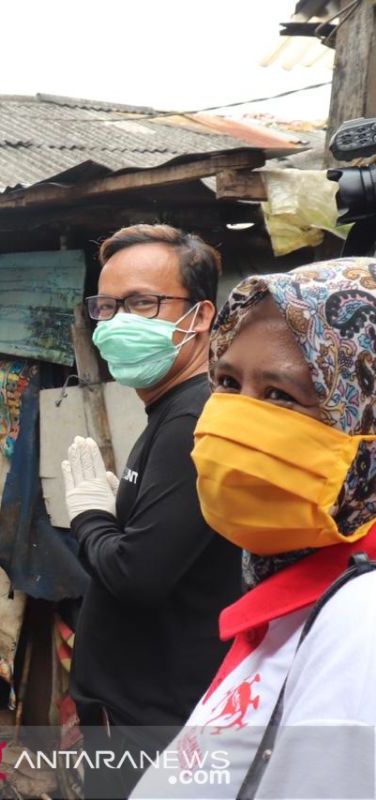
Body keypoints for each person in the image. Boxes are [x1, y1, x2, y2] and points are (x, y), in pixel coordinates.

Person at [130, 259, 376, 799]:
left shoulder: (363, 626)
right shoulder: (301, 592)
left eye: (281, 395)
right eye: (226, 382)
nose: (233, 421)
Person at [62, 224, 241, 797]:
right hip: (135, 712)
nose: (117, 324)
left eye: (142, 302)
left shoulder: (196, 418)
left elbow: (137, 576)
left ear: (202, 314)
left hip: (151, 723)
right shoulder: (169, 409)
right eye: (107, 306)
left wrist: (90, 517)